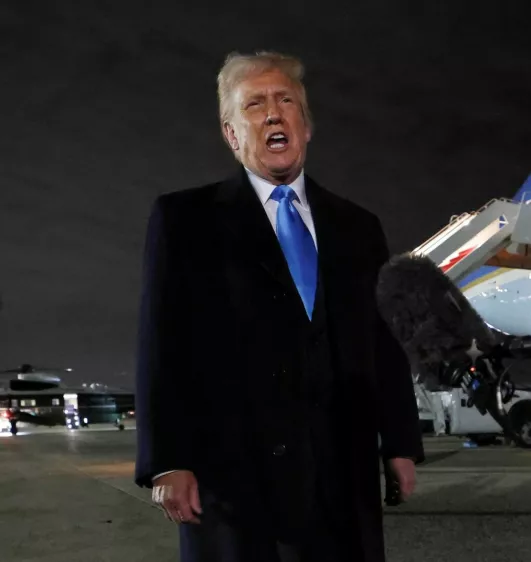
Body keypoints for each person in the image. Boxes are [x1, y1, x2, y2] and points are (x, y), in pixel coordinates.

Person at [133, 51, 425, 562]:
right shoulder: (185, 220)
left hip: (341, 475)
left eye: (285, 100)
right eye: (254, 104)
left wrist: (399, 442)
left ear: (305, 126)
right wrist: (167, 460)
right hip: (237, 478)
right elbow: (161, 343)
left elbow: (384, 343)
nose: (273, 113)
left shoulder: (359, 227)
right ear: (231, 134)